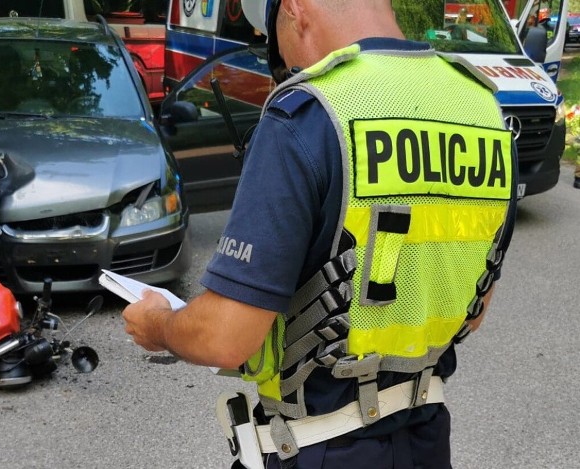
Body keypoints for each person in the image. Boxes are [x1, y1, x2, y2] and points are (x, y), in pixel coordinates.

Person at [122, 0, 517, 467]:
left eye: (280, 51)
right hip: (428, 440)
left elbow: (226, 337)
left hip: (321, 447)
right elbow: (472, 309)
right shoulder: (482, 109)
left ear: (293, 9)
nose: (288, 67)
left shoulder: (311, 111)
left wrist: (158, 324)